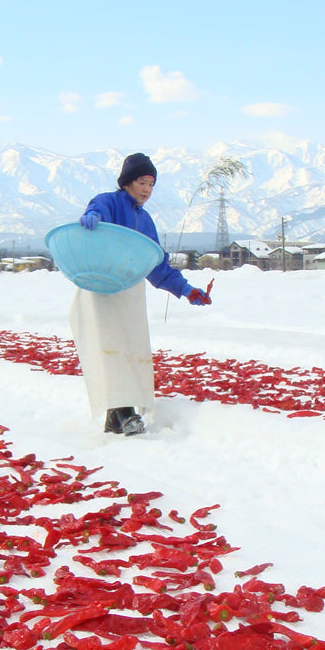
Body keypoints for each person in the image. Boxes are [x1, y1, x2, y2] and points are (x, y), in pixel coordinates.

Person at [70, 151, 211, 436]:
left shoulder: (145, 221)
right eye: (142, 183)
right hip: (101, 289)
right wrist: (92, 218)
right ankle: (125, 413)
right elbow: (95, 213)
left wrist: (185, 289)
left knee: (130, 348)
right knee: (109, 347)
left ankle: (115, 418)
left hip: (129, 292)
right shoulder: (108, 202)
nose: (147, 190)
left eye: (151, 185)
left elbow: (156, 264)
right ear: (127, 182)